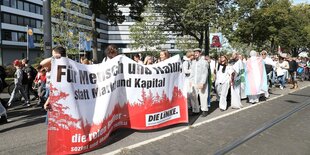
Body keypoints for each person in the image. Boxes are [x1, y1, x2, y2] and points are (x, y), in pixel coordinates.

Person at [40, 46, 67, 111]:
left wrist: (48, 101)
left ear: (57, 54)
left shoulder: (60, 68)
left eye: (53, 55)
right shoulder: (69, 64)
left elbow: (42, 63)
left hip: (58, 100)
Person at [189, 48, 209, 117]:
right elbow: (192, 73)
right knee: (193, 96)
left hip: (201, 82)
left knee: (203, 96)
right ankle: (195, 110)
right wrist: (190, 81)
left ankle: (204, 110)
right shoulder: (193, 62)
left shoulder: (204, 62)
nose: (195, 54)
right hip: (194, 82)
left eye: (197, 52)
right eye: (194, 52)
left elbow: (205, 73)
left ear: (200, 53)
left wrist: (202, 83)